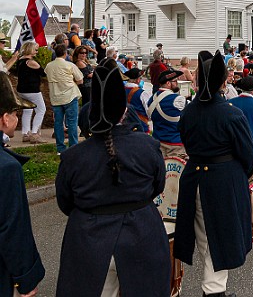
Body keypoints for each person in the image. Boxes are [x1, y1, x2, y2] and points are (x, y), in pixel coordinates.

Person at [55, 63, 170, 296]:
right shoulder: (147, 146)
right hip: (142, 233)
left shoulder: (73, 157)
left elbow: (65, 202)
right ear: (124, 112)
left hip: (89, 238)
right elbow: (157, 186)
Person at [175, 50, 253, 297]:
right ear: (223, 82)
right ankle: (214, 292)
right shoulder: (231, 114)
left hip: (195, 178)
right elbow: (247, 156)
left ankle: (215, 289)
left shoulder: (189, 112)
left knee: (206, 239)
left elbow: (187, 142)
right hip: (221, 182)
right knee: (216, 241)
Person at [0, 71, 45, 297]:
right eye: (15, 113)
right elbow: (13, 229)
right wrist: (26, 277)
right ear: (4, 118)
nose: (17, 119)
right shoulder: (6, 167)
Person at [45, 43, 83, 154]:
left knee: (58, 123)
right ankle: (73, 147)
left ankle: (60, 148)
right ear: (65, 53)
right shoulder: (70, 65)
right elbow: (80, 79)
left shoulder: (49, 66)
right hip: (70, 95)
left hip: (56, 97)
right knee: (72, 123)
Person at [147, 69, 187, 160]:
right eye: (175, 81)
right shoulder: (178, 99)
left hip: (158, 142)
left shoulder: (151, 99)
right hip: (175, 145)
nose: (177, 83)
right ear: (168, 83)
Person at [16, 41, 47, 144]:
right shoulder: (31, 62)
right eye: (35, 49)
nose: (37, 52)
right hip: (32, 90)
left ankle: (25, 133)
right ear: (30, 49)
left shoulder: (20, 61)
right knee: (41, 110)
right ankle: (34, 134)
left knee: (27, 110)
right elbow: (43, 73)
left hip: (21, 90)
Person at [124, 68, 151, 133]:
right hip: (141, 125)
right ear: (138, 80)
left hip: (125, 125)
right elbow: (149, 111)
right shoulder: (142, 93)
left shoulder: (121, 91)